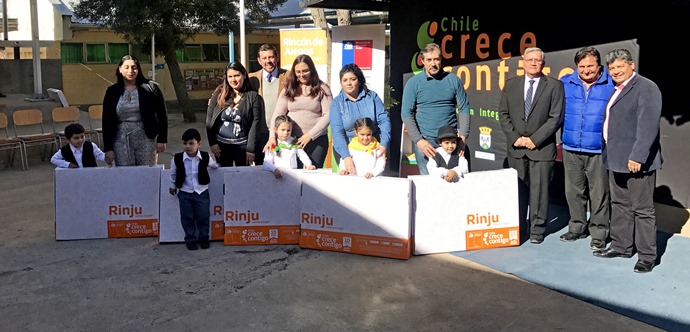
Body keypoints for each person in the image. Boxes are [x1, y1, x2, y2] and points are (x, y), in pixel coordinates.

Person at [593, 48, 662, 274]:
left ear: (631, 65)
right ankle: (621, 246)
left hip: (635, 162)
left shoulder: (646, 88)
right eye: (612, 68)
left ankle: (647, 256)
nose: (616, 71)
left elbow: (648, 125)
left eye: (620, 66)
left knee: (642, 210)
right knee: (620, 205)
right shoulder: (616, 89)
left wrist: (638, 156)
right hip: (616, 159)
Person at [498, 47, 564, 245]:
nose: (534, 63)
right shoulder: (511, 85)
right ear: (523, 62)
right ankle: (517, 227)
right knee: (517, 192)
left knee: (540, 192)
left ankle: (537, 230)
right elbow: (503, 113)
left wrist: (535, 139)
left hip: (541, 149)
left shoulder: (554, 86)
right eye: (530, 60)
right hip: (516, 149)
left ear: (543, 63)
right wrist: (514, 138)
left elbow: (555, 117)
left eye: (538, 60)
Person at [559, 47, 615, 251]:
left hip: (598, 149)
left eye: (590, 65)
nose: (586, 70)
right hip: (571, 146)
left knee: (599, 193)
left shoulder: (611, 83)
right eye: (581, 66)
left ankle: (599, 233)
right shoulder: (565, 82)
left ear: (599, 65)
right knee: (573, 191)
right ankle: (576, 227)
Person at [401, 42, 471, 175]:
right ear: (422, 61)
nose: (433, 63)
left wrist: (463, 138)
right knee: (429, 184)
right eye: (429, 60)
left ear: (441, 59)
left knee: (455, 181)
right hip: (426, 143)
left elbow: (464, 109)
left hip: (451, 142)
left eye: (436, 59)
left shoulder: (453, 80)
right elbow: (406, 114)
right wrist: (419, 141)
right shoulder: (413, 83)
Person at [263, 54, 332, 168]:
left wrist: (309, 135)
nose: (301, 75)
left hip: (316, 141)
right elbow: (278, 114)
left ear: (312, 70)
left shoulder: (322, 88)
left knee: (312, 175)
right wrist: (272, 137)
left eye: (305, 71)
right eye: (298, 72)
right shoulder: (288, 89)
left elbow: (328, 115)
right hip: (291, 141)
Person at [102, 55, 168, 166]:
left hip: (146, 139)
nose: (130, 71)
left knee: (147, 173)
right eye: (126, 67)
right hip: (121, 141)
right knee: (126, 175)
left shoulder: (151, 88)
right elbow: (106, 121)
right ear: (120, 69)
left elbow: (162, 115)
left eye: (134, 67)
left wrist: (162, 139)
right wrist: (108, 148)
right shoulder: (112, 92)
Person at [330, 63, 391, 175]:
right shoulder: (336, 103)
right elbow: (337, 132)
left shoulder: (372, 97)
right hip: (348, 151)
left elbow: (384, 120)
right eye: (345, 80)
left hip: (373, 149)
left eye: (352, 79)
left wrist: (383, 144)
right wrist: (346, 157)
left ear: (359, 80)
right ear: (340, 82)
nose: (349, 83)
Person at [206, 61, 270, 167]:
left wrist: (250, 149)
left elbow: (256, 123)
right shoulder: (219, 93)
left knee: (242, 178)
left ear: (244, 75)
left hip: (243, 147)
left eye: (236, 75)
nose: (233, 80)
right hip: (221, 147)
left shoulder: (252, 97)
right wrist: (212, 143)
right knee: (225, 178)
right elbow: (209, 119)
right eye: (230, 76)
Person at [169, 128, 219, 251]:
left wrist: (218, 165)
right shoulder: (177, 159)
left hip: (201, 192)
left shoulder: (205, 157)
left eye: (191, 143)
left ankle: (203, 238)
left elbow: (214, 166)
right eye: (185, 143)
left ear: (199, 144)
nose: (188, 146)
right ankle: (190, 239)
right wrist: (173, 186)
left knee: (203, 216)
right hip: (185, 192)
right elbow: (173, 174)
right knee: (187, 217)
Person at [248, 44, 289, 127]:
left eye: (271, 57)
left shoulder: (289, 76)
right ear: (259, 60)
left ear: (277, 58)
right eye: (264, 58)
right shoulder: (252, 79)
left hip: (282, 130)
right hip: (259, 130)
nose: (268, 61)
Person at [263, 114, 315, 179]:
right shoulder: (273, 144)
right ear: (275, 130)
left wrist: (308, 164)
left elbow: (302, 155)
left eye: (288, 130)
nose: (286, 133)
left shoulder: (294, 142)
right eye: (283, 130)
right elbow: (267, 163)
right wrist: (275, 170)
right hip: (278, 177)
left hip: (293, 176)